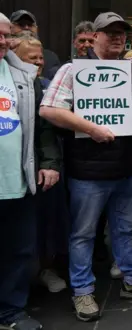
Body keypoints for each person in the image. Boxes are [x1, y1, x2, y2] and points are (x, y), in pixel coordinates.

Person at [39, 6, 132, 322]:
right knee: (83, 234)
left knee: (125, 230)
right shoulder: (74, 70)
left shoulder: (131, 68)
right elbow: (48, 109)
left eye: (121, 33)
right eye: (110, 32)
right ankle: (83, 292)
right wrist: (90, 128)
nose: (117, 37)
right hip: (88, 173)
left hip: (126, 168)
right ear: (93, 37)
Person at [0, 12, 62, 330]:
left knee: (18, 249)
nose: (2, 40)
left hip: (18, 181)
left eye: (4, 34)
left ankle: (10, 312)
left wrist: (49, 164)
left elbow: (43, 130)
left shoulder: (23, 77)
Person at [14, 37, 70, 294]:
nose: (39, 62)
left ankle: (45, 269)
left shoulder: (43, 86)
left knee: (46, 223)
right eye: (31, 58)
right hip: (10, 170)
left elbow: (46, 131)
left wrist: (49, 164)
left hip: (37, 168)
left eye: (40, 58)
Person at [10, 10, 60, 80]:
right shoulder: (3, 56)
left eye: (30, 25)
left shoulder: (50, 58)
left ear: (36, 29)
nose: (26, 28)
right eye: (21, 24)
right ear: (10, 28)